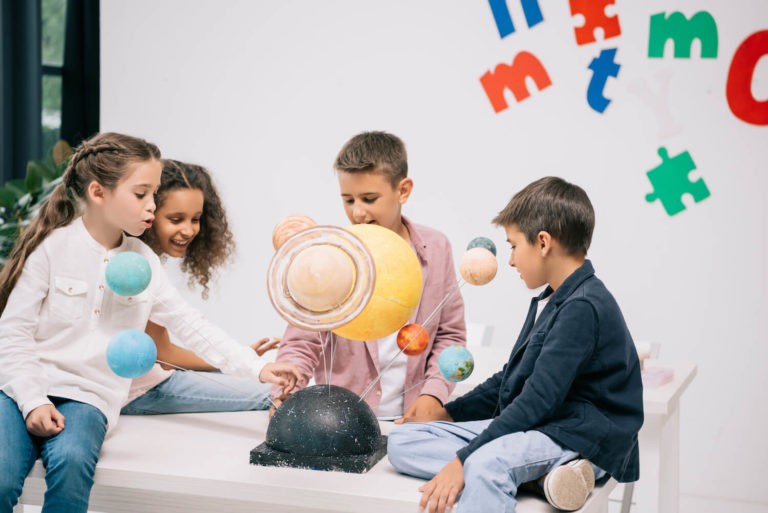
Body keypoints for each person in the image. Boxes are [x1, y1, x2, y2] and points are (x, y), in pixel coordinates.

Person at [0, 133, 300, 513]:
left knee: (73, 463)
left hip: (90, 396)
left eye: (154, 195)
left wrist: (258, 367)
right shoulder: (53, 248)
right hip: (20, 389)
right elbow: (12, 334)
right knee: (2, 476)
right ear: (98, 193)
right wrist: (32, 402)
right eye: (141, 194)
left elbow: (191, 325)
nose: (151, 206)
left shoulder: (145, 261)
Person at [386, 177, 644, 513]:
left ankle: (537, 471)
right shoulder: (554, 299)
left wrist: (463, 460)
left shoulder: (583, 306)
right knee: (403, 442)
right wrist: (448, 413)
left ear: (542, 242)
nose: (509, 261)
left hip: (578, 436)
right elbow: (511, 378)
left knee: (484, 465)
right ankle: (542, 479)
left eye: (512, 246)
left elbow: (538, 400)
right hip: (545, 426)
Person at [273, 131, 466, 422]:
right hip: (341, 420)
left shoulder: (436, 248)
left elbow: (450, 335)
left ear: (403, 190)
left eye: (369, 198)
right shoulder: (330, 257)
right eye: (348, 200)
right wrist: (286, 386)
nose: (358, 212)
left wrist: (433, 395)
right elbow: (303, 339)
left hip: (410, 421)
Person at [121, 159, 279, 415]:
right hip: (140, 391)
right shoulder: (138, 268)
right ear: (148, 213)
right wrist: (235, 363)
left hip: (150, 381)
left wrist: (238, 360)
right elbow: (163, 353)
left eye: (195, 219)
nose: (189, 230)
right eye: (175, 219)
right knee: (274, 393)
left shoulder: (145, 260)